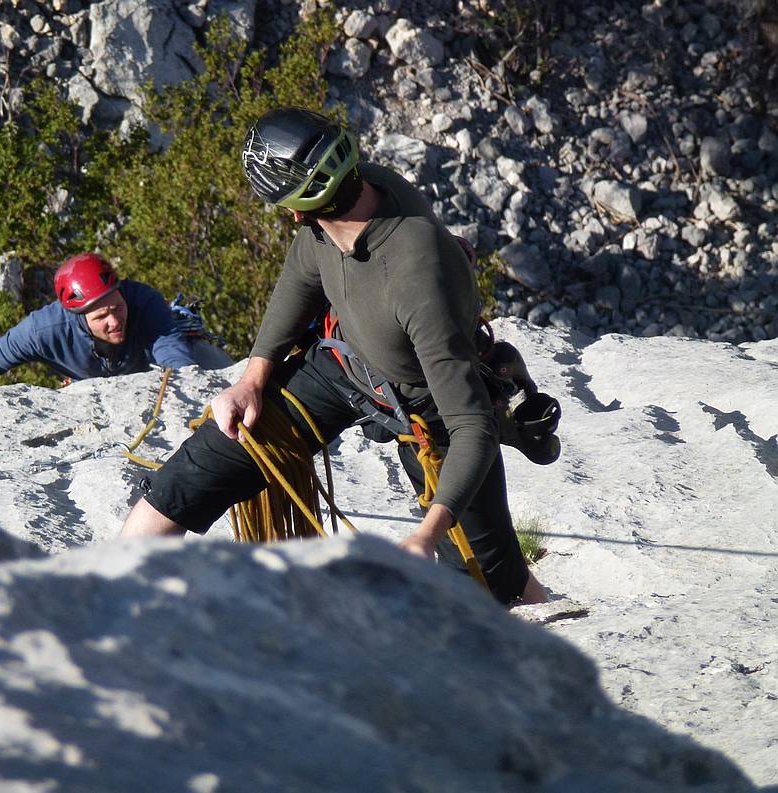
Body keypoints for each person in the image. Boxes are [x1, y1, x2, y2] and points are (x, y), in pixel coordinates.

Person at [119, 107, 546, 606]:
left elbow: (472, 424)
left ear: (294, 209)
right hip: (343, 366)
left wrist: (425, 536)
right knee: (186, 479)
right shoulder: (357, 193)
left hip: (431, 411)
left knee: (494, 587)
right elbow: (303, 274)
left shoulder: (415, 274)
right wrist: (253, 378)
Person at [0, 253, 206, 392]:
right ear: (78, 316)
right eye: (100, 317)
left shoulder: (143, 301)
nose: (114, 320)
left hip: (150, 373)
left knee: (205, 357)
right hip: (91, 388)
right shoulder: (45, 329)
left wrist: (191, 387)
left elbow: (173, 353)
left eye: (117, 308)